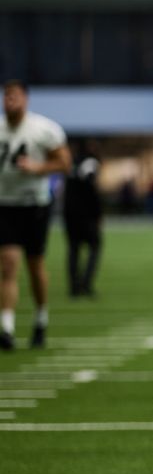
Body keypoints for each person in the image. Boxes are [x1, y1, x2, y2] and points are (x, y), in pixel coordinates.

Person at [0, 79, 72, 350]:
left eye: (15, 95)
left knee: (34, 265)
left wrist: (37, 168)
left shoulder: (44, 129)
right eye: (7, 95)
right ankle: (6, 327)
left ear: (26, 99)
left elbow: (65, 164)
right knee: (7, 264)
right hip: (4, 202)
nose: (10, 100)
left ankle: (41, 318)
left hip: (34, 204)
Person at [64, 138, 104, 299]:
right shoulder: (90, 163)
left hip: (70, 213)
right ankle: (86, 284)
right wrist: (98, 213)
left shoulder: (70, 163)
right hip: (86, 214)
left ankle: (74, 286)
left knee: (73, 249)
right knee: (95, 247)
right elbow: (91, 189)